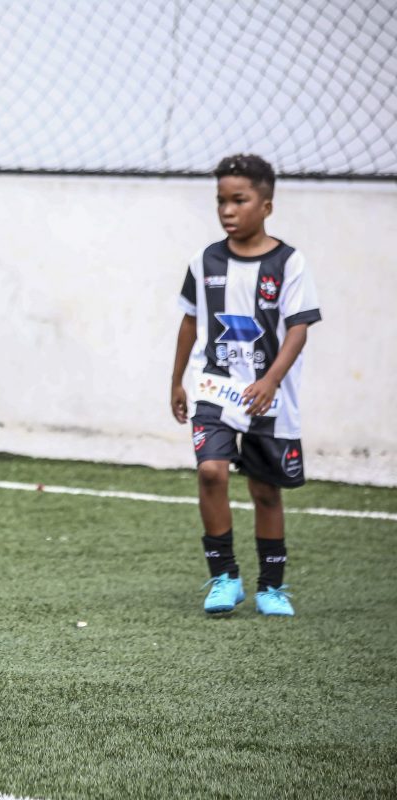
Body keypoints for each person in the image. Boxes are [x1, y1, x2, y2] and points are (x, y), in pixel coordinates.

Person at [170, 153, 321, 617]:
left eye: (239, 200)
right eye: (221, 201)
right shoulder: (204, 261)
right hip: (214, 387)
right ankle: (224, 577)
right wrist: (177, 382)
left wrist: (271, 380)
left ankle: (271, 587)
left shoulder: (289, 263)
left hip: (266, 395)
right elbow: (190, 321)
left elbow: (298, 328)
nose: (227, 210)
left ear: (266, 206)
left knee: (265, 490)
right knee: (211, 472)